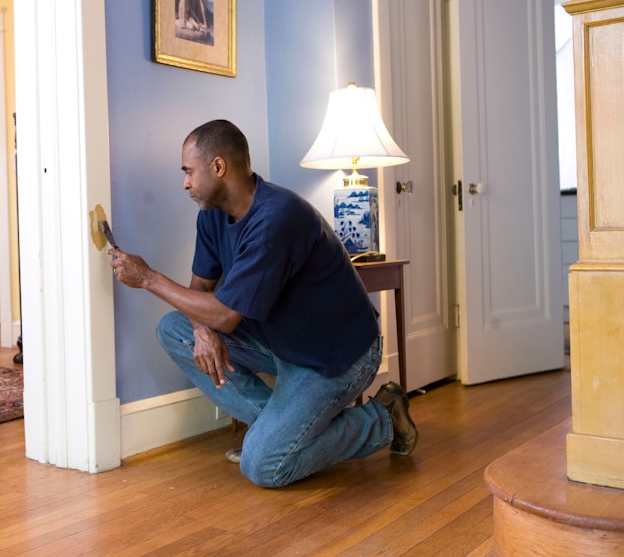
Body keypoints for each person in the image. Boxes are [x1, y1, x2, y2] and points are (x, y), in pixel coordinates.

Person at [107, 119, 417, 489]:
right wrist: (201, 330)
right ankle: (281, 432)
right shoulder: (212, 216)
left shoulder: (277, 218)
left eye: (188, 172)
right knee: (175, 329)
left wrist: (147, 278)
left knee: (263, 466)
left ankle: (382, 416)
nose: (184, 183)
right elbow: (201, 289)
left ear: (218, 167)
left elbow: (224, 314)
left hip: (335, 356)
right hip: (280, 342)